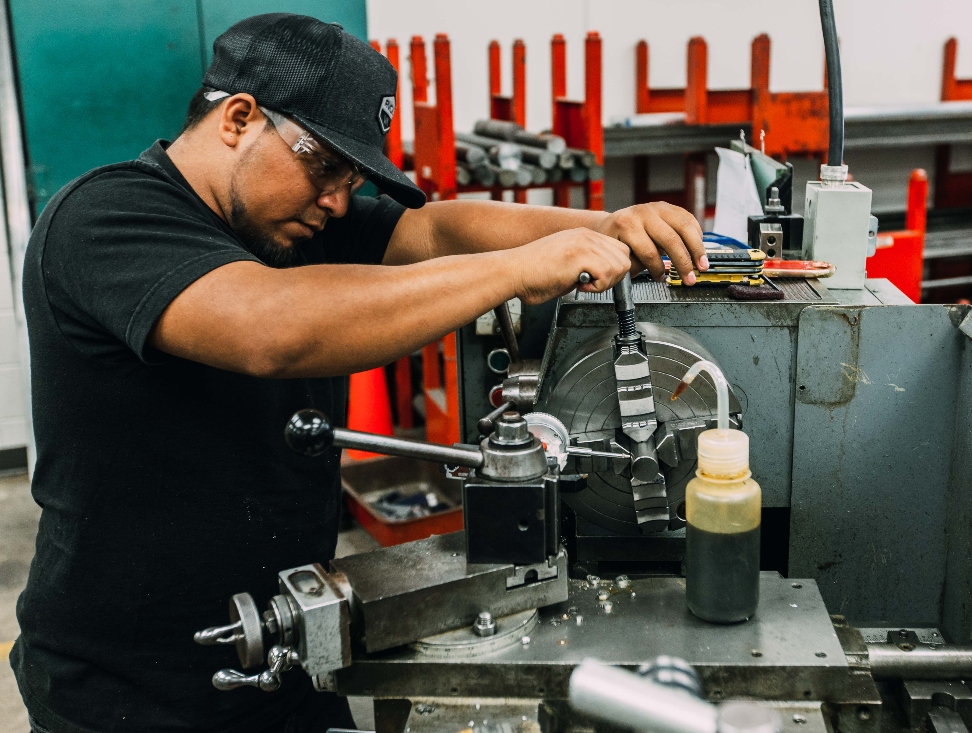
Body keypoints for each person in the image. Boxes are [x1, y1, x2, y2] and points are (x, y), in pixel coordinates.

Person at [10, 13, 708, 733]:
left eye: (351, 180)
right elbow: (271, 328)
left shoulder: (292, 224)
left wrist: (606, 226)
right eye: (325, 169)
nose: (339, 201)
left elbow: (435, 231)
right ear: (239, 118)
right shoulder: (104, 218)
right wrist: (519, 270)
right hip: (126, 694)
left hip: (290, 654)